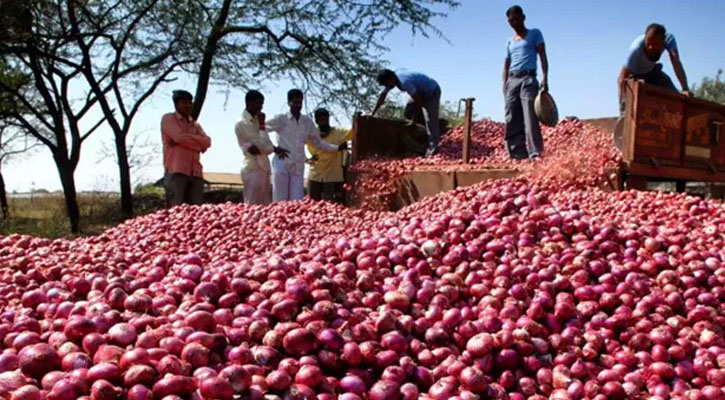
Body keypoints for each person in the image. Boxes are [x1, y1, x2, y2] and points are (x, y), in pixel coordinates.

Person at [266, 89, 347, 202]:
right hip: (282, 163)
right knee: (280, 201)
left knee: (297, 202)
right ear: (289, 102)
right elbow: (261, 129)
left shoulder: (307, 122)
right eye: (295, 102)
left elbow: (319, 143)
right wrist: (273, 148)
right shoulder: (281, 119)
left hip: (298, 167)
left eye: (300, 102)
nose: (298, 105)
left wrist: (337, 148)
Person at [502, 5, 548, 161]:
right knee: (511, 116)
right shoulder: (509, 41)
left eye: (516, 18)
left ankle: (535, 153)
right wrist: (504, 82)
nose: (514, 22)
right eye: (511, 20)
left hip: (528, 78)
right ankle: (517, 153)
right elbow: (506, 64)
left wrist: (545, 78)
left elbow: (542, 55)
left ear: (523, 17)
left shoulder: (534, 34)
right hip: (512, 79)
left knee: (530, 116)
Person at [618, 23, 692, 111]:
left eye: (655, 45)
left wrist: (685, 88)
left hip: (652, 72)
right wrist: (623, 106)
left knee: (675, 97)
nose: (650, 47)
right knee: (639, 90)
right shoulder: (636, 48)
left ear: (663, 42)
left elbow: (676, 62)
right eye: (648, 43)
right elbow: (621, 78)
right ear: (645, 39)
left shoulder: (668, 40)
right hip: (636, 77)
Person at [234, 90, 290, 205]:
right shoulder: (243, 123)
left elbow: (267, 145)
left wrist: (274, 148)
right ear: (249, 103)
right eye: (258, 104)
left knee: (264, 206)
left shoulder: (256, 121)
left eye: (262, 104)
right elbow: (262, 147)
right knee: (253, 205)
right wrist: (262, 126)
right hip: (253, 167)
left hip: (263, 167)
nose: (260, 107)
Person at [372, 68, 442, 156]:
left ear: (391, 79)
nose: (387, 86)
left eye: (387, 84)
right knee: (409, 111)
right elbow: (383, 95)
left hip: (431, 91)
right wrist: (373, 113)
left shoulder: (405, 82)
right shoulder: (394, 77)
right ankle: (423, 133)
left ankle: (433, 150)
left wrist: (414, 119)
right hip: (419, 91)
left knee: (430, 120)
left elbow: (418, 102)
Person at [160, 90, 211, 207]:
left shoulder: (195, 124)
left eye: (190, 103)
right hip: (176, 171)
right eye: (184, 102)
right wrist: (198, 145)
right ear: (176, 104)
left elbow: (207, 142)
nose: (188, 105)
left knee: (196, 212)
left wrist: (185, 141)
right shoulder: (168, 119)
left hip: (196, 173)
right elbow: (179, 137)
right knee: (176, 210)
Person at [306, 108, 352, 203]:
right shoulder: (311, 135)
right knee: (311, 204)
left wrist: (360, 120)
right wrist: (306, 159)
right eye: (322, 120)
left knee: (330, 206)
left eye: (326, 120)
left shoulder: (338, 132)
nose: (325, 123)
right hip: (315, 175)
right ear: (317, 121)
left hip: (332, 176)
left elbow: (353, 131)